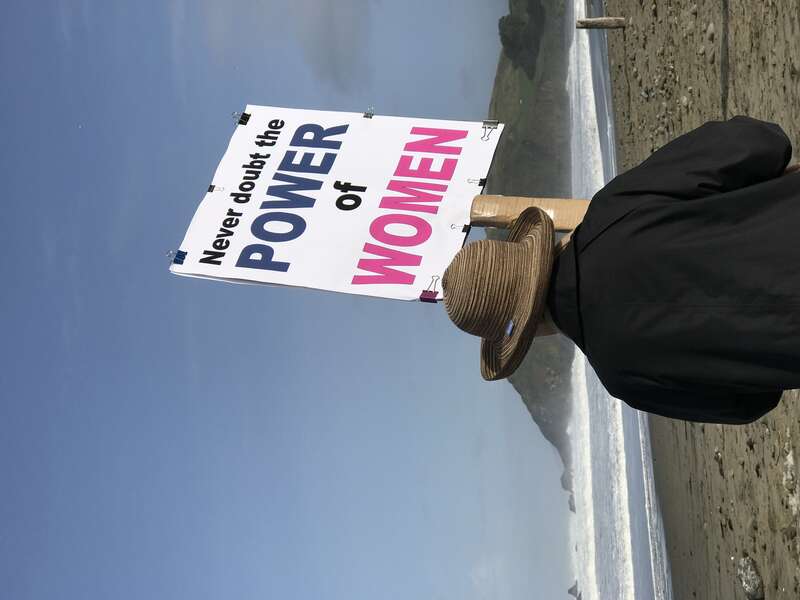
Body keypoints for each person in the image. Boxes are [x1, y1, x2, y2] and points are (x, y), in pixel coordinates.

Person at [442, 115, 798, 424]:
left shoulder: (622, 377)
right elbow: (758, 142)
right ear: (532, 251)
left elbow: (750, 403)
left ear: (528, 334)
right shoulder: (613, 210)